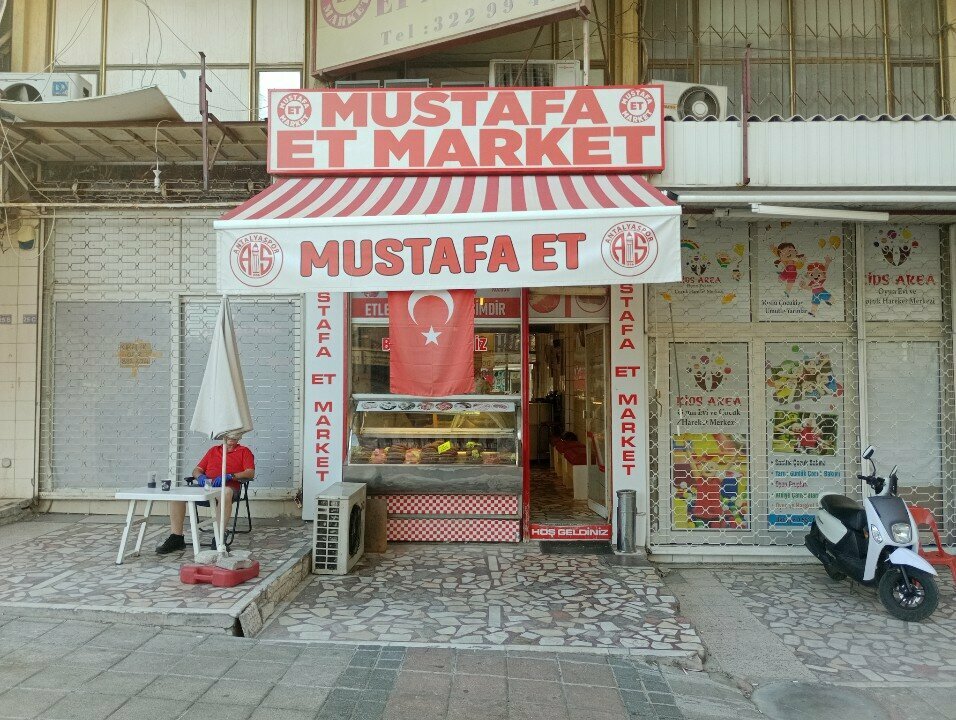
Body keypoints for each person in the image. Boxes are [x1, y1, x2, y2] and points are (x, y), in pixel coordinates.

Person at [156, 433, 255, 554]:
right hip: (206, 486)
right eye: (228, 435)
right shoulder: (213, 450)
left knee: (225, 493)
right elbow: (196, 470)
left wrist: (231, 476)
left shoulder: (244, 451)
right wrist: (200, 477)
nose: (231, 438)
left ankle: (219, 537)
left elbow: (250, 473)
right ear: (223, 436)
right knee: (178, 494)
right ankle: (176, 537)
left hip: (228, 487)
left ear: (240, 437)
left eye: (235, 436)